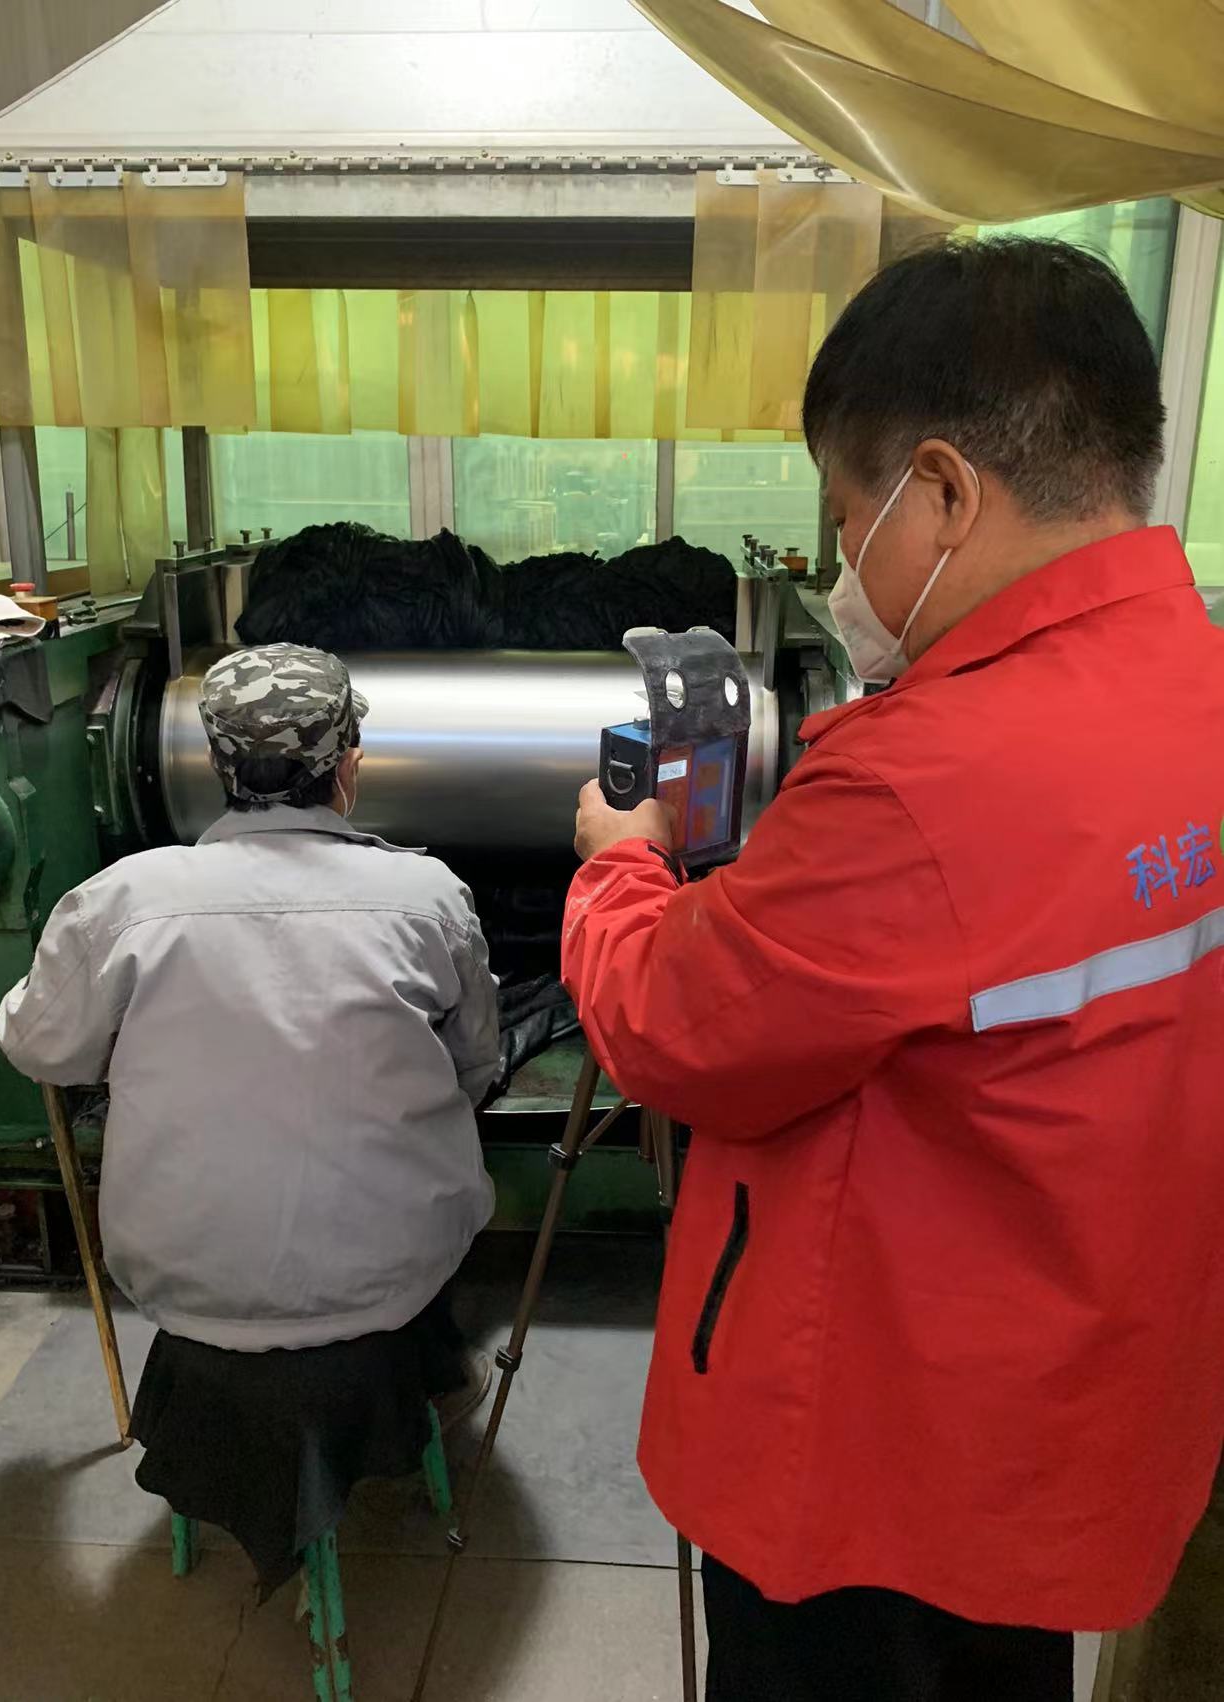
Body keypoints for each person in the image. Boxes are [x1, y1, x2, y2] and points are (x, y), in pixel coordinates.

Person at [563, 238, 1224, 1702]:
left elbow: (669, 1027)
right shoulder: (1199, 684)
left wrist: (618, 862)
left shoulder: (928, 779)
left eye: (846, 515)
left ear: (942, 491)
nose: (841, 563)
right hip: (1071, 1404)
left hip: (879, 1466)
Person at [0, 642, 499, 1594]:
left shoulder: (122, 903)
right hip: (394, 1275)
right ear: (348, 768)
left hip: (183, 1281)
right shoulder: (428, 899)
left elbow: (40, 1048)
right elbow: (477, 1064)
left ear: (213, 765)